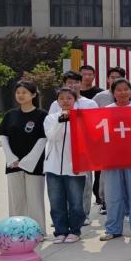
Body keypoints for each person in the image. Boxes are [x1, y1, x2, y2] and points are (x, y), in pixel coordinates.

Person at [100, 79, 131, 241]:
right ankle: (113, 229)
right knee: (112, 194)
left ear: (130, 91)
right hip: (112, 159)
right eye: (119, 90)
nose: (122, 93)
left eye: (126, 89)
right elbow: (99, 137)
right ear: (113, 93)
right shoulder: (106, 111)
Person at [0, 81, 48, 232]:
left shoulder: (42, 115)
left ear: (33, 95)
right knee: (16, 200)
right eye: (18, 92)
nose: (20, 95)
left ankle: (37, 231)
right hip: (13, 164)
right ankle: (16, 231)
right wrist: (11, 158)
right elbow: (3, 137)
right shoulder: (10, 115)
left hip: (35, 164)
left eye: (24, 92)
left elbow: (43, 139)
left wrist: (27, 162)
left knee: (35, 199)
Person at [43, 87, 86, 243]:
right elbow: (52, 137)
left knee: (76, 202)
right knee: (56, 202)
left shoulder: (82, 118)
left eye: (69, 98)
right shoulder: (51, 118)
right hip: (53, 166)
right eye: (61, 98)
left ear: (75, 100)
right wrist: (62, 121)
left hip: (75, 167)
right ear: (57, 101)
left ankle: (75, 230)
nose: (65, 101)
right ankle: (60, 231)